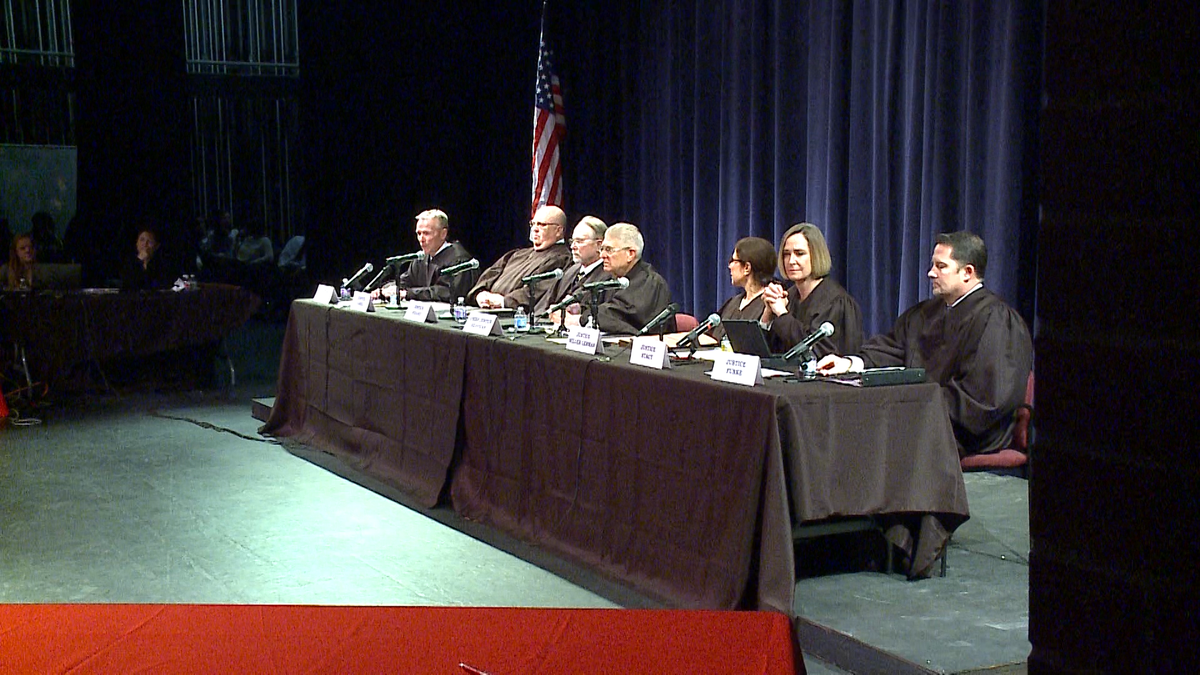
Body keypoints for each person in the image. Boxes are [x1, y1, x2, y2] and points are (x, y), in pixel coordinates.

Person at [816, 231, 1034, 457]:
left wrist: (912, 406)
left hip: (965, 431)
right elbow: (891, 349)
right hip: (924, 414)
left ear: (967, 272)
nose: (931, 273)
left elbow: (983, 398)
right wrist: (850, 362)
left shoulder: (997, 320)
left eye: (941, 266)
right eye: (933, 265)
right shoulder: (926, 314)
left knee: (876, 441)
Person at [760, 222, 862, 357]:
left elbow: (816, 352)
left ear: (816, 256)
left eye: (799, 253)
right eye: (786, 254)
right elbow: (766, 353)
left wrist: (782, 313)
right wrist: (768, 314)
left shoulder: (836, 301)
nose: (791, 261)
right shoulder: (789, 296)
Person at [469, 205, 571, 310]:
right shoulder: (518, 254)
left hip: (515, 317)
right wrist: (480, 294)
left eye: (542, 225)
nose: (535, 229)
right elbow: (490, 275)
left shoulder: (561, 259)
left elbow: (537, 290)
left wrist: (504, 302)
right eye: (533, 224)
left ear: (558, 231)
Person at [577, 222, 672, 334]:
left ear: (630, 254)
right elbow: (591, 306)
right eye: (602, 249)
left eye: (608, 249)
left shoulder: (650, 283)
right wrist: (578, 309)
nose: (602, 255)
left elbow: (615, 315)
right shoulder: (610, 279)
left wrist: (582, 318)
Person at [373, 209, 477, 303]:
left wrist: (408, 294)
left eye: (426, 233)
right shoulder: (422, 258)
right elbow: (405, 281)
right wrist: (385, 290)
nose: (421, 239)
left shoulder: (459, 259)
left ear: (443, 234)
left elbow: (447, 292)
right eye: (418, 233)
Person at [534, 215, 609, 316]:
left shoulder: (608, 276)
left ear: (599, 245)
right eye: (572, 241)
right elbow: (546, 303)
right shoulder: (570, 271)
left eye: (579, 241)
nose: (573, 246)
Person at [711, 236, 777, 341]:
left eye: (733, 260)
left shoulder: (770, 302)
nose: (729, 266)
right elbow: (712, 337)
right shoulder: (733, 302)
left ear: (747, 267)